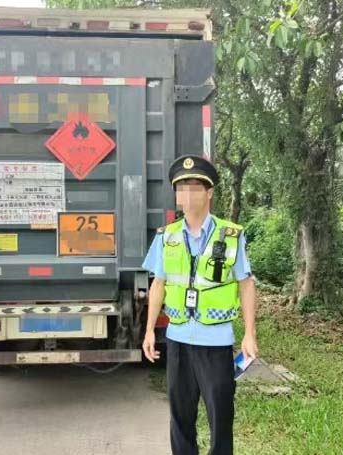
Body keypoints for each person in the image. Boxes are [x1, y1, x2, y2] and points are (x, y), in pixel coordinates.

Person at [141, 155, 258, 455]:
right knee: (180, 417)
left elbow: (246, 284)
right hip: (178, 340)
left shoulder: (230, 236)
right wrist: (150, 330)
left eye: (195, 188)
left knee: (221, 417)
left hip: (215, 342)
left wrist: (249, 334)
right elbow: (158, 285)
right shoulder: (166, 237)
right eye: (182, 188)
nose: (188, 195)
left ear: (209, 192)